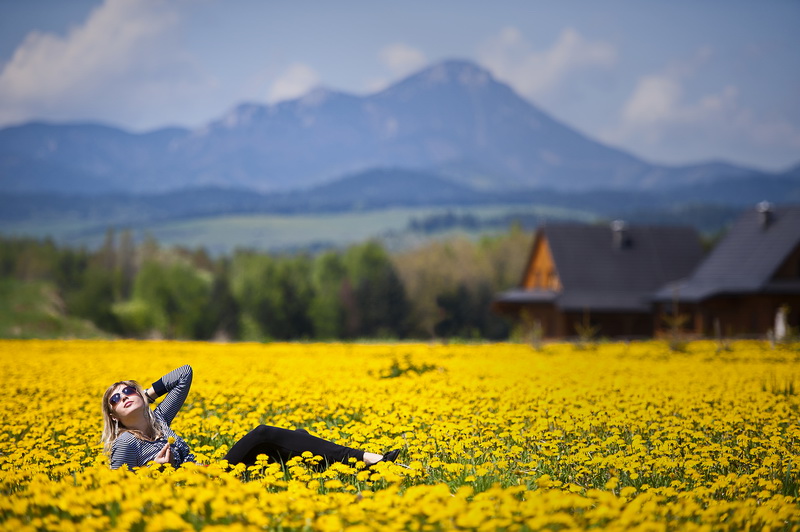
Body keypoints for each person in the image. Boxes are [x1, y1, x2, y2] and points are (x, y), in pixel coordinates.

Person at [101, 365, 400, 470]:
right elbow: (118, 494)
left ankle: (368, 472)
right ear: (112, 415)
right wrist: (156, 471)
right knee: (263, 434)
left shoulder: (159, 420)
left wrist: (147, 394)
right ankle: (365, 458)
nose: (124, 396)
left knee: (297, 442)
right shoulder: (126, 443)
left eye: (129, 390)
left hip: (211, 470)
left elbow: (184, 374)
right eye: (116, 398)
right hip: (202, 486)